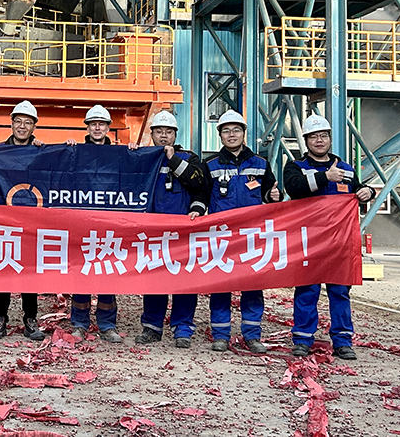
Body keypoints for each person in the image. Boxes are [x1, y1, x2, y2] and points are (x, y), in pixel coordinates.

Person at [284, 114, 373, 361]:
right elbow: (294, 188)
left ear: (330, 138)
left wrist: (368, 191)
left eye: (323, 136)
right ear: (306, 141)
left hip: (339, 243)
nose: (319, 141)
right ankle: (302, 340)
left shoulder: (345, 168)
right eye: (314, 137)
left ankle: (343, 341)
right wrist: (325, 177)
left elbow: (356, 190)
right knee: (306, 291)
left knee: (339, 292)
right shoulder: (295, 167)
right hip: (308, 241)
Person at [205, 109, 281, 353]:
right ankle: (220, 335)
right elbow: (201, 197)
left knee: (252, 286)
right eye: (226, 131)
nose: (231, 135)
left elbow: (271, 194)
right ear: (220, 136)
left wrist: (274, 196)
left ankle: (252, 335)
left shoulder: (260, 164)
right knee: (220, 286)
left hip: (252, 237)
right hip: (222, 237)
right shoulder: (211, 165)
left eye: (236, 130)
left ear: (244, 133)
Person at [136, 111, 209, 348]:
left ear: (175, 134)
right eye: (159, 132)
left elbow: (199, 183)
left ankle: (183, 328)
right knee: (154, 280)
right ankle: (152, 327)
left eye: (168, 132)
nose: (163, 136)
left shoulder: (189, 157)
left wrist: (173, 159)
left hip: (183, 232)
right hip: (153, 232)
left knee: (184, 280)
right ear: (152, 134)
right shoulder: (143, 157)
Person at [66, 104, 130, 343]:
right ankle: (79, 324)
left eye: (101, 124)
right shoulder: (76, 152)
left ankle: (107, 324)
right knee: (81, 277)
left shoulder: (120, 155)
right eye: (93, 124)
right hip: (82, 226)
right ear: (87, 127)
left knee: (106, 277)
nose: (97, 128)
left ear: (107, 128)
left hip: (109, 225)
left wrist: (134, 151)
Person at [0, 100, 46, 342]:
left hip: (33, 223)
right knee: (4, 268)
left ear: (34, 126)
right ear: (11, 124)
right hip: (5, 221)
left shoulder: (42, 152)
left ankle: (30, 319)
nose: (22, 126)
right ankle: (0, 318)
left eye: (27, 123)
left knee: (29, 271)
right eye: (18, 122)